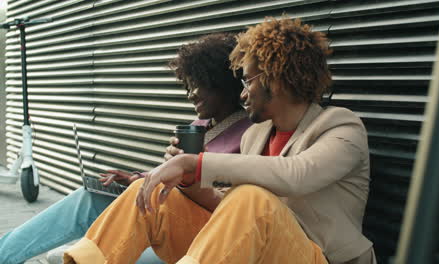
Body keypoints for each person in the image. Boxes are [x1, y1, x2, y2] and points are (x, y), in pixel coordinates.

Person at [64, 16, 376, 264]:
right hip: (256, 251)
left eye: (247, 80)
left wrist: (195, 162)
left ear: (275, 78)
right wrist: (187, 179)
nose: (242, 93)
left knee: (253, 197)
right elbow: (230, 208)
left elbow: (297, 174)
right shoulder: (256, 135)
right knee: (154, 192)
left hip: (316, 257)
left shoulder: (341, 127)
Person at [0, 33, 252, 264]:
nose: (191, 94)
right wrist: (138, 178)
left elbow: (235, 208)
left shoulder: (250, 133)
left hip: (202, 235)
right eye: (187, 85)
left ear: (223, 81)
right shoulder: (199, 126)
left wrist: (187, 173)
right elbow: (168, 180)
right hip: (165, 213)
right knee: (89, 198)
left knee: (82, 252)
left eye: (199, 84)